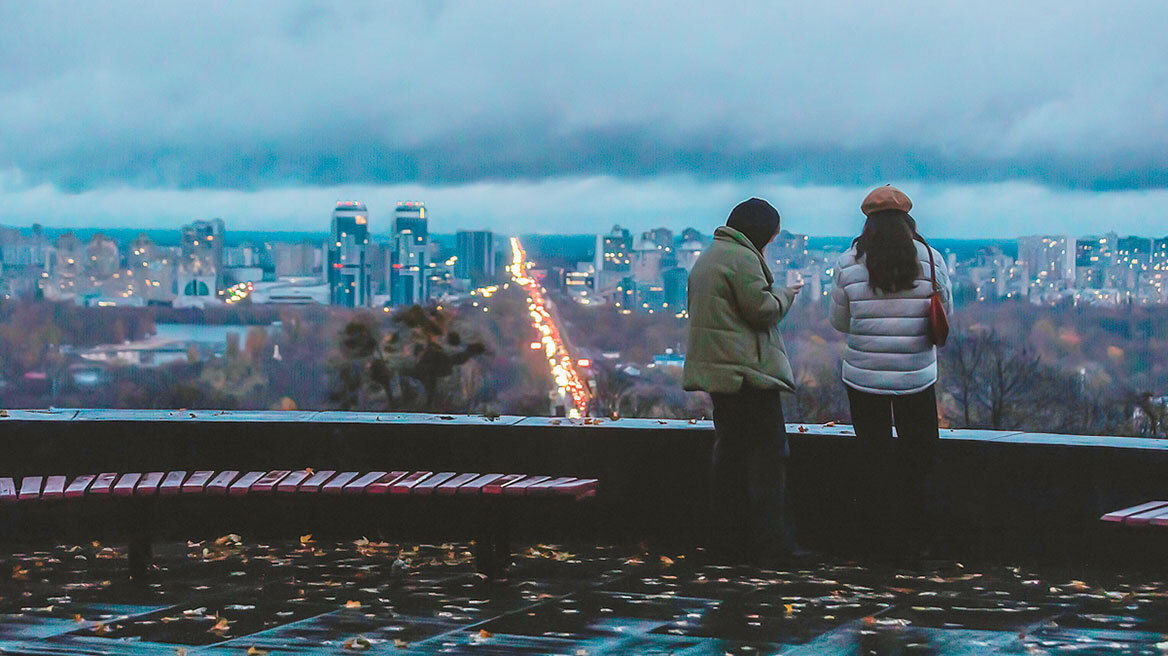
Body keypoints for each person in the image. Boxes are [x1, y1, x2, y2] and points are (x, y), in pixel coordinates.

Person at [828, 185, 953, 558]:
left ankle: (877, 544)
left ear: (868, 223)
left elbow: (840, 322)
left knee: (874, 460)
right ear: (907, 221)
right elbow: (945, 313)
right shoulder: (930, 259)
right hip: (917, 375)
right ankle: (921, 543)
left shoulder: (848, 263)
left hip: (864, 377)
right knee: (920, 459)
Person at [683, 198, 806, 564]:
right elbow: (762, 310)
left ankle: (727, 543)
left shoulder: (710, 257)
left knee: (730, 459)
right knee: (767, 461)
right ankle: (773, 546)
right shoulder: (742, 259)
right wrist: (787, 293)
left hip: (721, 374)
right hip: (747, 374)